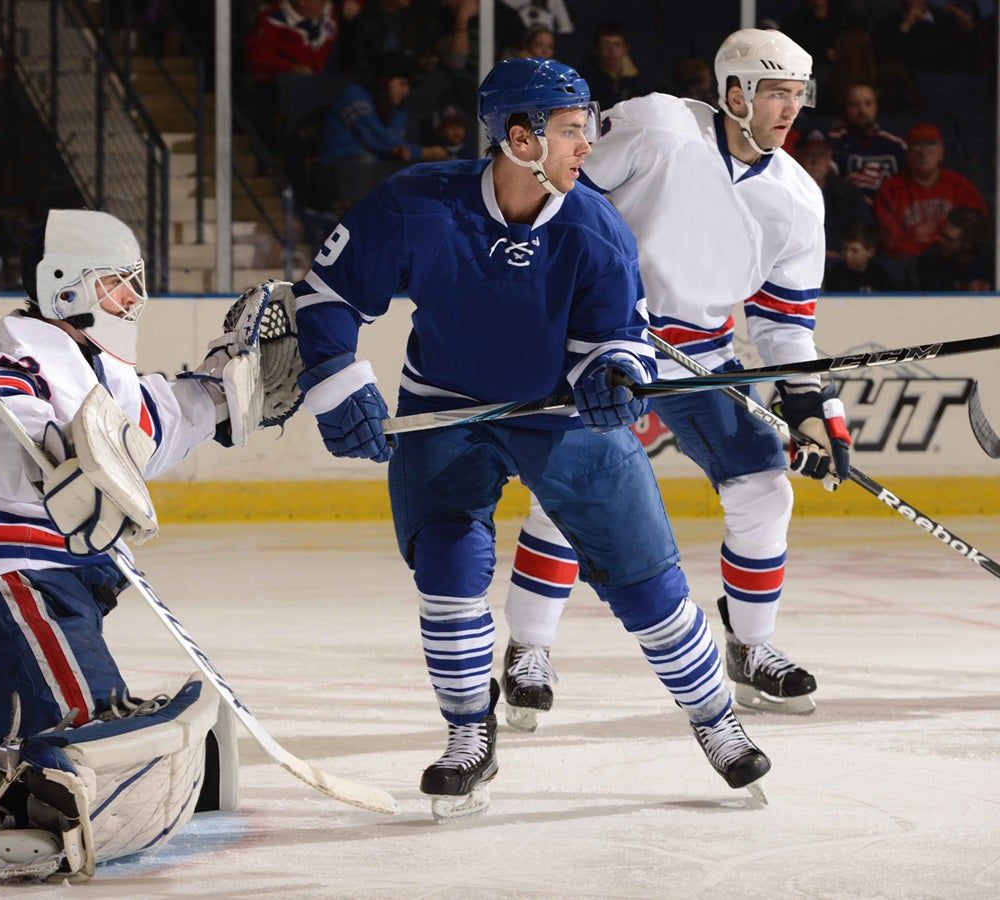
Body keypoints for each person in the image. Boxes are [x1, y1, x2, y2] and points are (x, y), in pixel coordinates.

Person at [293, 57, 770, 821]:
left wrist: (612, 371)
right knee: (447, 567)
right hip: (446, 408)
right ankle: (467, 735)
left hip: (559, 414)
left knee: (645, 580)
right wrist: (337, 382)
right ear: (520, 139)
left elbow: (618, 333)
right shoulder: (418, 203)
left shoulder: (595, 226)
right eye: (573, 130)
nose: (588, 146)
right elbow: (326, 296)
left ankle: (717, 720)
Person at [0, 211, 294, 882]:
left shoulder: (97, 369)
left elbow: (150, 426)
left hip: (25, 590)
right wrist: (53, 450)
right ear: (65, 286)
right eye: (118, 282)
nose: (134, 297)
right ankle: (37, 808)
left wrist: (221, 390)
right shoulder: (17, 355)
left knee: (73, 721)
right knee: (88, 737)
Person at [500, 29, 852, 730]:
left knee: (764, 488)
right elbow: (563, 197)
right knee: (574, 494)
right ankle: (529, 647)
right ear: (734, 94)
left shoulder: (798, 200)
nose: (790, 109)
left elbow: (783, 326)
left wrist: (812, 408)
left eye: (797, 94)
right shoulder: (659, 124)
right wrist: (584, 299)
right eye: (775, 92)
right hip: (604, 349)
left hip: (703, 360)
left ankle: (750, 647)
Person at [875, 122, 988, 259]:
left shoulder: (959, 185)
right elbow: (891, 240)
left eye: (931, 145)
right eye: (917, 145)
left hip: (954, 259)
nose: (924, 153)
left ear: (942, 152)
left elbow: (977, 228)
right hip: (910, 262)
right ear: (908, 153)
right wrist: (927, 254)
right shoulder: (891, 189)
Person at [793, 127, 872, 264]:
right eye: (809, 154)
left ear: (830, 158)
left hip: (841, 262)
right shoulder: (785, 191)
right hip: (797, 262)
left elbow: (861, 227)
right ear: (798, 157)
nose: (816, 161)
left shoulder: (846, 191)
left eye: (821, 155)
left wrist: (845, 253)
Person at [827, 82, 907, 205]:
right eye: (854, 104)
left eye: (868, 103)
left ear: (876, 106)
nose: (862, 110)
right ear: (845, 108)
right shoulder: (832, 144)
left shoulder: (896, 145)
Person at [577, 21, 654, 111]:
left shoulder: (644, 73)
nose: (611, 50)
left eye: (617, 45)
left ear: (625, 48)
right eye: (605, 45)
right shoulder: (583, 78)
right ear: (596, 49)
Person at [916, 206, 994, 291]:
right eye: (942, 234)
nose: (941, 241)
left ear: (969, 245)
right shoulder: (931, 260)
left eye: (950, 239)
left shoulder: (993, 265)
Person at [824, 221, 898, 291]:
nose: (847, 255)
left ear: (870, 252)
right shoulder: (836, 275)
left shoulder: (879, 275)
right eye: (845, 249)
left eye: (854, 250)